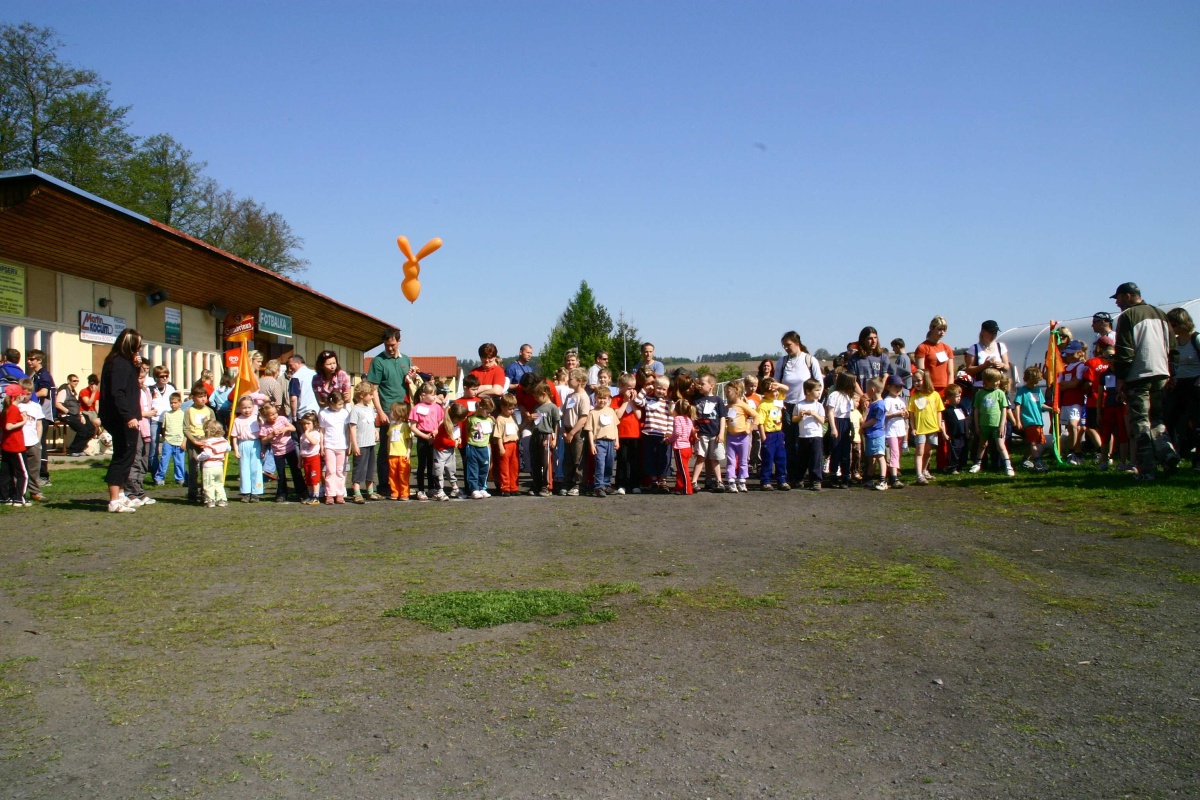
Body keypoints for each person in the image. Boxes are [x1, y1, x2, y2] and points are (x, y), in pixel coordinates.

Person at [1111, 282, 1179, 480]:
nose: (1117, 303)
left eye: (1118, 298)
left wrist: (1121, 377)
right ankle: (1168, 455)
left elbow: (1125, 351)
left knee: (1140, 422)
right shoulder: (1160, 314)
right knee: (1156, 419)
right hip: (1161, 373)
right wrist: (1172, 373)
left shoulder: (1128, 316)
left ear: (1128, 296)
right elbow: (1173, 348)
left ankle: (1147, 470)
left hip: (1138, 376)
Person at [367, 328, 416, 497]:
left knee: (404, 445)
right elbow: (374, 389)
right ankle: (384, 483)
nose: (390, 348)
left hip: (405, 410)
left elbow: (410, 384)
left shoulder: (406, 360)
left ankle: (402, 484)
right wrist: (380, 412)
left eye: (393, 344)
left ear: (399, 342)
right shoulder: (378, 361)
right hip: (388, 411)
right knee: (386, 449)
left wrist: (412, 377)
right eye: (387, 345)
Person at [99, 329, 145, 513]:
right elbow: (118, 392)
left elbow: (130, 385)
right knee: (122, 455)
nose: (140, 349)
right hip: (121, 417)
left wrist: (136, 367)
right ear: (130, 345)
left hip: (123, 415)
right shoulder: (119, 363)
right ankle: (114, 500)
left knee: (128, 455)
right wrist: (129, 416)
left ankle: (121, 495)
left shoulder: (122, 362)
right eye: (138, 345)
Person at [771, 331, 822, 487]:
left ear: (797, 343)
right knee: (790, 442)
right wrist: (777, 402)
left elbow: (819, 382)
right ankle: (793, 475)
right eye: (784, 346)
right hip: (787, 405)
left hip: (806, 405)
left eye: (788, 345)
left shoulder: (809, 360)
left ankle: (812, 477)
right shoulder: (782, 362)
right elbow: (776, 382)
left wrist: (815, 403)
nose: (786, 348)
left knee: (808, 442)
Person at [1166, 308, 1200, 469]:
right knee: (1170, 420)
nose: (1171, 328)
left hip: (1196, 385)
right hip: (1179, 384)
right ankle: (1175, 455)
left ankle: (1198, 460)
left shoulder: (1196, 339)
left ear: (1182, 323)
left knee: (1197, 424)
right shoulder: (1175, 342)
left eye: (1173, 325)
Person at [968, 368, 1015, 477]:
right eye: (994, 381)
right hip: (983, 424)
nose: (997, 383)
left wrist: (1002, 425)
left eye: (998, 380)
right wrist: (977, 425)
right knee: (982, 444)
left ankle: (1008, 466)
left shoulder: (1000, 393)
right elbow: (976, 410)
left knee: (1000, 445)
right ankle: (977, 464)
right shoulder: (980, 393)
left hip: (996, 425)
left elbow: (1004, 409)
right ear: (986, 381)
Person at [908, 369, 946, 485]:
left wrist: (939, 425)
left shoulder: (935, 395)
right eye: (914, 381)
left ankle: (924, 470)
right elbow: (911, 414)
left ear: (926, 380)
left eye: (919, 380)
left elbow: (939, 410)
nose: (916, 383)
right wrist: (913, 428)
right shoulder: (914, 397)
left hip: (932, 428)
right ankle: (919, 475)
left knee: (928, 452)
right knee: (919, 451)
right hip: (920, 429)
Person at [258, 402, 302, 502]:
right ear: (265, 416)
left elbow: (293, 428)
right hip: (278, 453)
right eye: (271, 415)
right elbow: (263, 440)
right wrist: (271, 435)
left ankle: (301, 491)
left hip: (290, 449)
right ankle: (282, 493)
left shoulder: (282, 419)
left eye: (275, 413)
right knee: (281, 474)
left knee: (296, 471)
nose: (274, 416)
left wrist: (286, 428)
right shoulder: (265, 427)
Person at [408, 382, 445, 501]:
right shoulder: (417, 408)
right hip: (422, 438)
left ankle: (432, 488)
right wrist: (425, 436)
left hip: (434, 437)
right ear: (423, 395)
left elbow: (441, 421)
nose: (435, 397)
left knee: (432, 465)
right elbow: (413, 427)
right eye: (432, 394)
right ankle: (421, 489)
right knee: (422, 465)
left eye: (435, 394)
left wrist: (436, 431)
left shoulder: (437, 407)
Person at [559, 368, 592, 496]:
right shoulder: (570, 396)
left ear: (579, 381)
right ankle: (567, 482)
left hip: (577, 432)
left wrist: (572, 433)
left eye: (571, 379)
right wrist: (564, 430)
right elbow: (564, 414)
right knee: (568, 458)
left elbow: (583, 418)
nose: (568, 380)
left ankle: (579, 484)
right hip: (567, 430)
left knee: (578, 459)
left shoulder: (583, 397)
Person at [348, 382, 382, 503]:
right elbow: (352, 428)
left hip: (371, 443)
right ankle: (357, 492)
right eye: (370, 394)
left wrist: (375, 431)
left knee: (370, 468)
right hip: (361, 444)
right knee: (359, 468)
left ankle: (370, 491)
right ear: (362, 395)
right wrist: (355, 445)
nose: (372, 397)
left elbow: (371, 422)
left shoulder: (370, 408)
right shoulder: (355, 410)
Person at [1012, 366, 1050, 472]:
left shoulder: (1038, 390)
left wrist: (1051, 409)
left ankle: (1025, 459)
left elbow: (1041, 404)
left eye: (1036, 383)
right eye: (1031, 383)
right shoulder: (1022, 391)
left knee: (1035, 442)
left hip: (1038, 421)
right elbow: (1017, 406)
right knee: (1033, 442)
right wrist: (1018, 420)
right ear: (1026, 379)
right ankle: (1038, 462)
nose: (1033, 385)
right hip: (1029, 421)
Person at [1057, 341, 1089, 464]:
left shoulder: (1081, 366)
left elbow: (1076, 383)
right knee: (1070, 428)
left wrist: (1068, 384)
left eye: (1072, 353)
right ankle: (1077, 452)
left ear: (1079, 353)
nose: (1069, 356)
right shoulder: (1064, 368)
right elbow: (1059, 385)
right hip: (1066, 401)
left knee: (1074, 425)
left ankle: (1072, 452)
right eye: (1068, 354)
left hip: (1077, 401)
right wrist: (1069, 384)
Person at [824, 372, 858, 489]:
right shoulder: (834, 395)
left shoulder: (848, 396)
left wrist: (851, 429)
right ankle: (833, 476)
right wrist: (833, 428)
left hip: (846, 423)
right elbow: (830, 412)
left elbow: (849, 414)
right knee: (835, 451)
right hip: (837, 423)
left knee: (845, 452)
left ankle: (845, 476)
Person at [25, 349, 54, 483]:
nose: (29, 361)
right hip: (37, 413)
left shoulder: (44, 374)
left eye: (32, 359)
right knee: (36, 442)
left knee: (39, 443)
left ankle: (43, 475)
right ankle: (35, 474)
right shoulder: (35, 375)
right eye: (28, 359)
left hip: (43, 413)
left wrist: (27, 397)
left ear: (39, 360)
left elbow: (43, 392)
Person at [791, 378, 825, 491]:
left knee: (815, 459)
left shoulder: (819, 406)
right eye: (817, 390)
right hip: (803, 436)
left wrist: (814, 414)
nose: (819, 392)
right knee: (802, 459)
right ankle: (799, 479)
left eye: (819, 390)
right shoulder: (799, 405)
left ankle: (816, 480)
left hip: (816, 436)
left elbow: (822, 420)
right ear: (808, 391)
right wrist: (800, 416)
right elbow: (794, 419)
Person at [723, 380, 756, 493]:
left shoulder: (743, 405)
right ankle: (731, 481)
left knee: (743, 460)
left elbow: (756, 416)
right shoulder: (728, 406)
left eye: (728, 392)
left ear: (736, 392)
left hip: (743, 437)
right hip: (731, 437)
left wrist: (750, 428)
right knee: (731, 460)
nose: (726, 394)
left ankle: (742, 481)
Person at [183, 383, 214, 504]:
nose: (203, 399)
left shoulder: (209, 411)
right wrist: (194, 441)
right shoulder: (189, 411)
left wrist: (208, 440)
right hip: (193, 441)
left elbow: (214, 427)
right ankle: (192, 493)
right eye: (200, 396)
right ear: (193, 397)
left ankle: (206, 492)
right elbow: (186, 429)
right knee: (193, 468)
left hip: (206, 441)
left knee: (206, 468)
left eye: (204, 396)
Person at [528, 383, 560, 497]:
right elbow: (532, 423)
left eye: (537, 397)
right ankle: (536, 485)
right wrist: (530, 418)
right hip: (535, 435)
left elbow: (556, 424)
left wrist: (554, 439)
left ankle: (546, 486)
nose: (535, 399)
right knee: (535, 462)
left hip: (546, 435)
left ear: (544, 394)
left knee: (546, 463)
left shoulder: (553, 407)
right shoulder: (536, 407)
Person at [1, 382, 30, 507]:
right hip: (16, 445)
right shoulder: (13, 409)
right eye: (23, 394)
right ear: (18, 396)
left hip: (6, 445)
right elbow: (9, 426)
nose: (25, 396)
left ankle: (5, 497)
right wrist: (24, 421)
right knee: (23, 473)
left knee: (6, 473)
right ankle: (19, 498)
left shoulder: (5, 409)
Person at [319, 390, 350, 505]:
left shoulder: (344, 413)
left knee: (340, 470)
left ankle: (339, 493)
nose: (341, 406)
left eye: (342, 404)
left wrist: (349, 444)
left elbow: (347, 430)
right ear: (331, 403)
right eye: (339, 404)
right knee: (330, 470)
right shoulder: (324, 413)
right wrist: (321, 446)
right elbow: (322, 431)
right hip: (329, 446)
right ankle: (330, 494)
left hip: (342, 445)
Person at [963, 320, 1011, 396]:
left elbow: (1007, 367)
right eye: (990, 332)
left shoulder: (1001, 346)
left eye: (995, 332)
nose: (993, 335)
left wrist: (1002, 365)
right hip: (980, 387)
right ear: (983, 332)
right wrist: (985, 365)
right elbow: (968, 370)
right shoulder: (974, 348)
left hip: (998, 387)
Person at [231, 395, 264, 502]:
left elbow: (262, 434)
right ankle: (245, 492)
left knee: (256, 468)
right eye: (244, 408)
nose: (247, 410)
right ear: (240, 408)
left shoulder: (257, 418)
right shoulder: (237, 420)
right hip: (243, 444)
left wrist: (263, 449)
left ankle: (256, 492)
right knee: (244, 469)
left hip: (255, 444)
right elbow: (234, 436)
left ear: (253, 407)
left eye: (249, 407)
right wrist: (236, 450)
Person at [612, 374, 641, 495]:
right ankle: (621, 484)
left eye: (633, 388)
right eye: (629, 388)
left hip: (635, 434)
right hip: (622, 434)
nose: (631, 390)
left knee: (634, 460)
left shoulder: (636, 400)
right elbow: (617, 416)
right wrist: (625, 401)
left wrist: (632, 402)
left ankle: (635, 484)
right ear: (621, 386)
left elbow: (639, 415)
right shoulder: (616, 399)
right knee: (622, 460)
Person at [433, 404, 469, 501]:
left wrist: (458, 439)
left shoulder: (456, 424)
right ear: (457, 418)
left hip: (450, 452)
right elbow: (443, 440)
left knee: (451, 470)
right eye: (464, 417)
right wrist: (454, 442)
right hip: (441, 452)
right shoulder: (444, 426)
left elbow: (455, 434)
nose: (465, 418)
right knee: (439, 471)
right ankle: (439, 491)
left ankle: (455, 488)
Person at [17, 379, 45, 501]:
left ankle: (35, 491)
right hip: (19, 442)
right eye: (23, 393)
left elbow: (39, 424)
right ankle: (17, 493)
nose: (26, 396)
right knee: (18, 470)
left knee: (34, 469)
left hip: (33, 442)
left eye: (28, 393)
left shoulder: (36, 406)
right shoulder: (16, 406)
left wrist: (38, 441)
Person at [758, 384, 789, 491]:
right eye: (773, 392)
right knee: (768, 459)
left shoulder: (777, 400)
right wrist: (763, 437)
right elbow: (760, 422)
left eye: (777, 391)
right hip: (769, 435)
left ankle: (782, 480)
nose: (776, 393)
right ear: (766, 393)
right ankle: (765, 481)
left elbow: (786, 389)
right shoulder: (763, 405)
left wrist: (777, 385)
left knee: (781, 458)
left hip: (779, 434)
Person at [54, 374, 94, 456]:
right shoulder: (64, 390)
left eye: (77, 381)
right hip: (66, 415)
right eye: (74, 381)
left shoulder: (73, 391)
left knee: (91, 429)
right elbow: (57, 404)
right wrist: (68, 412)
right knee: (82, 429)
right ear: (69, 381)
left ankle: (80, 449)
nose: (76, 383)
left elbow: (76, 406)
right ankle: (73, 450)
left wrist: (81, 415)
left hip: (76, 414)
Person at [464, 397, 496, 499]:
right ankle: (474, 489)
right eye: (487, 412)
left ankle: (482, 487)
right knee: (473, 469)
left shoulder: (490, 420)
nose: (489, 414)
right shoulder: (471, 419)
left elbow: (491, 433)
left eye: (490, 412)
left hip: (484, 448)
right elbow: (468, 430)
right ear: (481, 408)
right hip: (472, 447)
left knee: (484, 469)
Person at [154, 392, 187, 486]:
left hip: (179, 442)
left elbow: (186, 429)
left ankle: (180, 478)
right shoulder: (167, 414)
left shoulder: (183, 414)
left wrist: (184, 441)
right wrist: (166, 438)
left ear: (180, 402)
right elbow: (164, 428)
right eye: (171, 403)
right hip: (168, 442)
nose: (173, 405)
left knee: (179, 462)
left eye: (175, 402)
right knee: (164, 461)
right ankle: (159, 478)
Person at [861, 378, 889, 490]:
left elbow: (874, 420)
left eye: (867, 388)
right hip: (871, 434)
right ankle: (869, 478)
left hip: (877, 434)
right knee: (871, 457)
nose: (866, 390)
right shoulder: (873, 404)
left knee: (880, 456)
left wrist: (863, 425)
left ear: (872, 389)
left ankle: (882, 480)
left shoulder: (879, 405)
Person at [847, 328, 893, 393]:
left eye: (875, 338)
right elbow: (852, 380)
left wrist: (878, 394)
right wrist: (863, 396)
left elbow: (885, 376)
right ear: (863, 340)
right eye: (870, 338)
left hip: (879, 396)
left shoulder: (883, 357)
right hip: (861, 396)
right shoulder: (854, 359)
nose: (874, 341)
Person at [197, 419, 231, 508]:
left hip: (209, 466)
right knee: (219, 484)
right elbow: (228, 448)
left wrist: (199, 457)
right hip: (219, 466)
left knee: (208, 484)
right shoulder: (223, 440)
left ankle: (210, 500)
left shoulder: (209, 442)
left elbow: (207, 454)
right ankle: (221, 500)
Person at [882, 375, 909, 488]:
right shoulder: (887, 400)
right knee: (894, 453)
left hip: (900, 430)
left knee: (898, 453)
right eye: (896, 386)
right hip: (891, 430)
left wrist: (906, 414)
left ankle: (893, 472)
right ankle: (893, 477)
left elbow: (905, 415)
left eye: (900, 387)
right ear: (888, 387)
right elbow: (884, 416)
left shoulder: (901, 400)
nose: (898, 389)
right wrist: (895, 414)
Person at [385, 400, 414, 500]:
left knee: (403, 475)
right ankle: (395, 492)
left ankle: (404, 493)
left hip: (402, 455)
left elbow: (409, 440)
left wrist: (408, 452)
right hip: (392, 454)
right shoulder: (391, 426)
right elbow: (389, 439)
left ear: (398, 413)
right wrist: (388, 451)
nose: (390, 413)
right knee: (393, 475)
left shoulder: (405, 426)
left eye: (392, 411)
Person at [493, 395, 521, 497]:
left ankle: (514, 487)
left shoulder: (512, 417)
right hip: (505, 445)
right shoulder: (500, 419)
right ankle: (505, 487)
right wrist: (501, 447)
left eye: (513, 409)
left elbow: (517, 430)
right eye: (509, 409)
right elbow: (498, 435)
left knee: (514, 467)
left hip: (514, 444)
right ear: (502, 407)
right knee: (504, 467)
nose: (512, 411)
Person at [943, 385, 970, 473]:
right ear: (949, 397)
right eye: (957, 396)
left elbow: (966, 420)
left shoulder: (961, 407)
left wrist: (967, 431)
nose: (959, 398)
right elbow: (942, 421)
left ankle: (960, 466)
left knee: (963, 451)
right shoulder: (946, 410)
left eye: (960, 396)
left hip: (963, 433)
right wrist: (944, 433)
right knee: (954, 451)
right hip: (953, 434)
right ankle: (952, 467)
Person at [297, 413, 323, 505]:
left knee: (314, 478)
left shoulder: (315, 433)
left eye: (308, 423)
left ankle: (316, 497)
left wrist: (307, 434)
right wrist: (299, 461)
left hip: (314, 458)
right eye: (304, 424)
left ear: (314, 424)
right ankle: (310, 495)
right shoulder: (302, 436)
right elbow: (301, 450)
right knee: (308, 479)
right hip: (305, 459)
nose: (306, 426)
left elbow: (313, 442)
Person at [287, 354, 320, 421]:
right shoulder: (314, 374)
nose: (289, 369)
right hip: (316, 411)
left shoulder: (296, 377)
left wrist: (294, 416)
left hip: (302, 414)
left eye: (290, 365)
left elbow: (293, 399)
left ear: (298, 363)